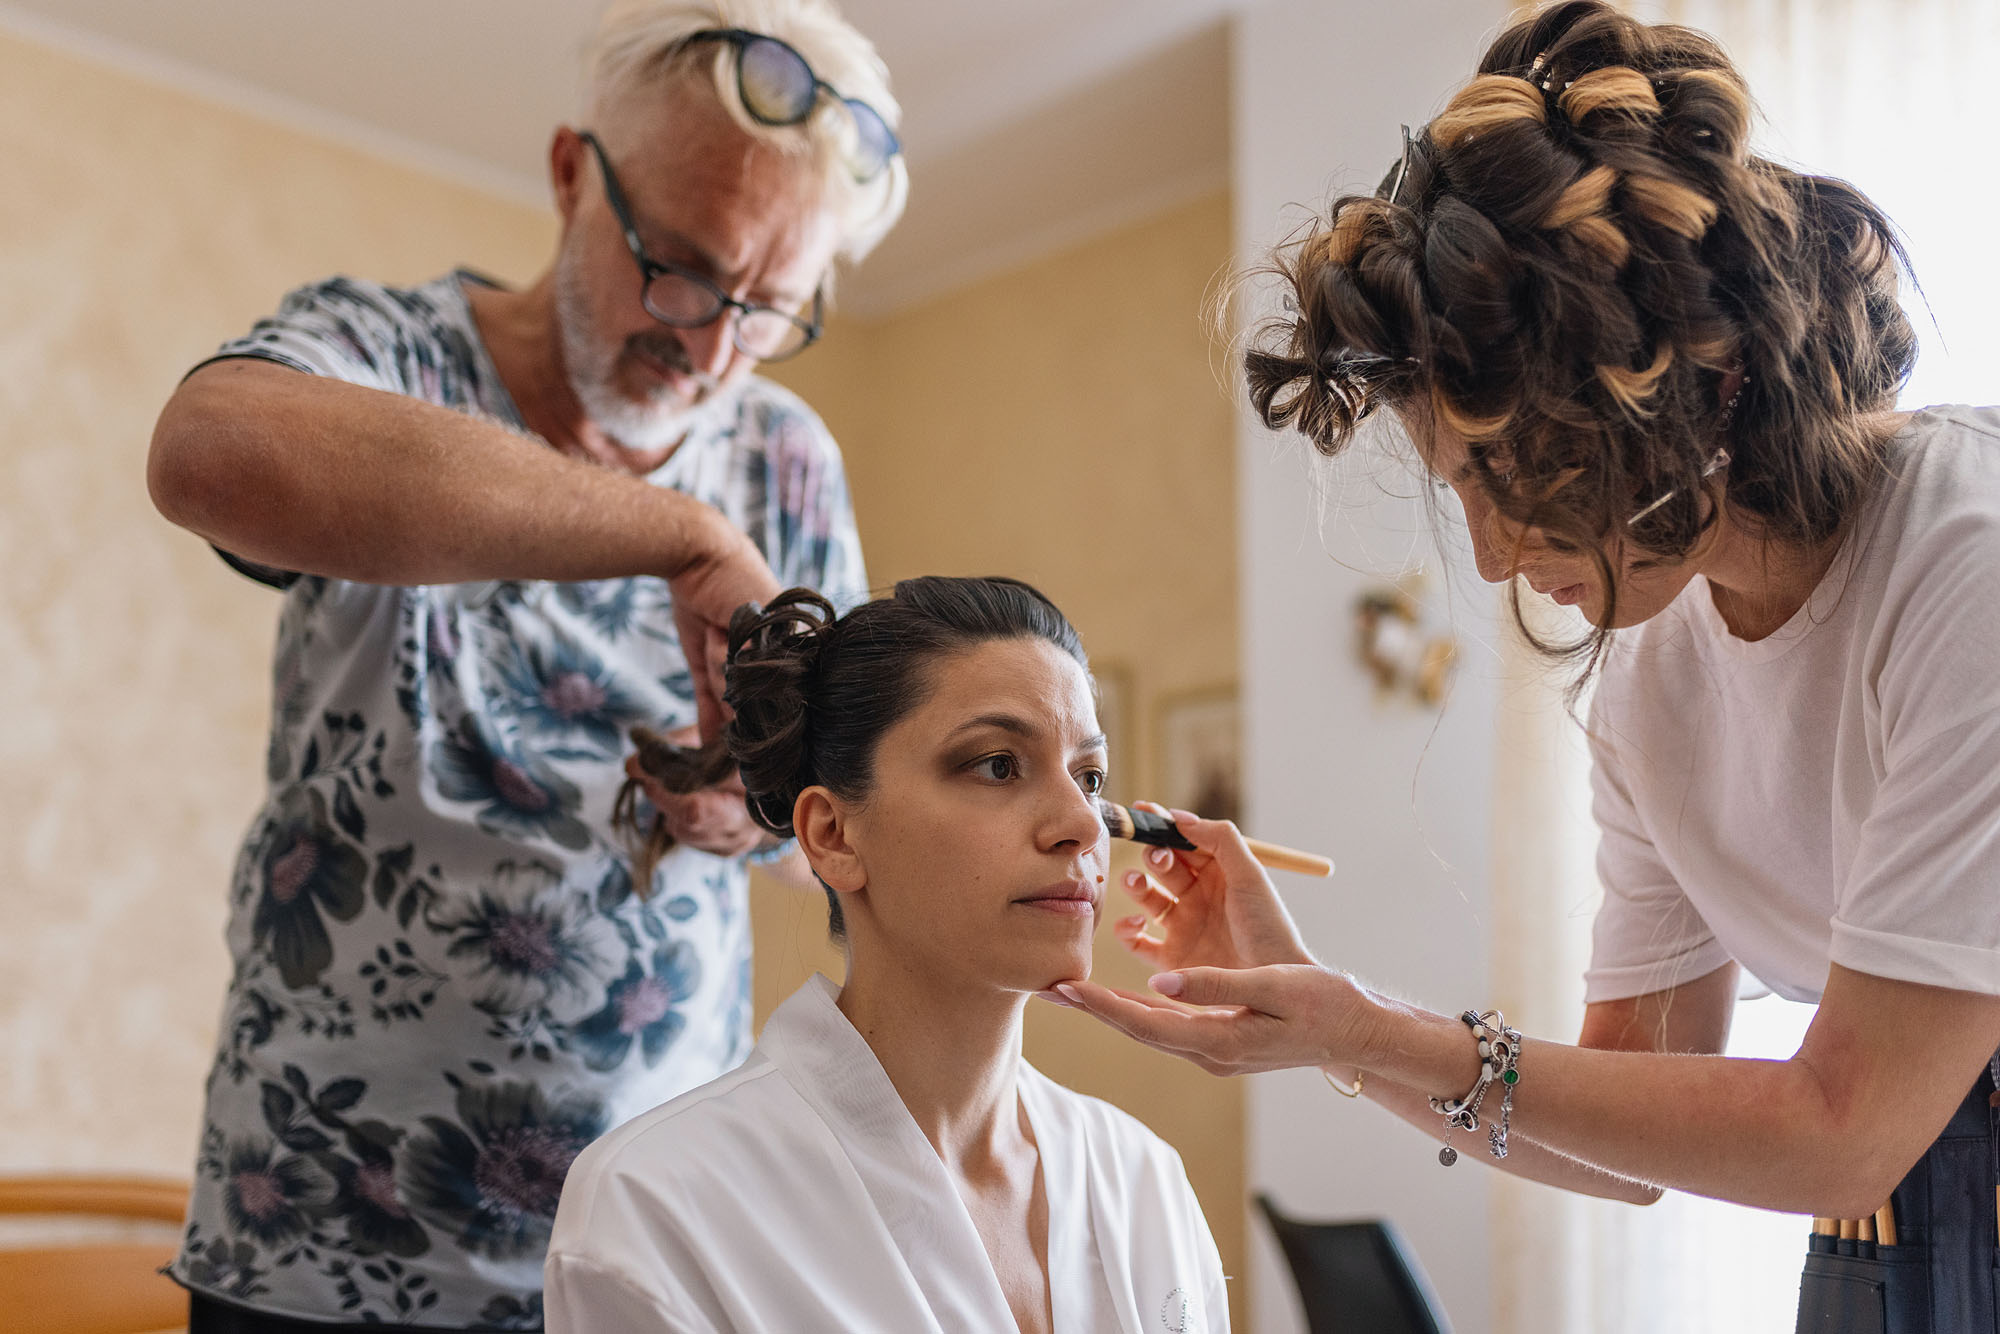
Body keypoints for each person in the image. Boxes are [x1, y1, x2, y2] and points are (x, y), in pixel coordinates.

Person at [1050, 1, 2000, 1326]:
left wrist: (1369, 1033)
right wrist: (1333, 1020)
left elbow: (1841, 1123)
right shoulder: (1650, 685)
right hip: (1892, 1237)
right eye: (1463, 490)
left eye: (1508, 473)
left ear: (1686, 390)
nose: (1492, 558)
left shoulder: (1968, 555)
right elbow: (1623, 1144)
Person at [143, 1, 906, 1326]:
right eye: (679, 267)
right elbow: (203, 453)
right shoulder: (385, 352)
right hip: (317, 1232)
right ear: (570, 174)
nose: (713, 346)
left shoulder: (790, 460)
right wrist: (681, 536)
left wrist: (756, 810)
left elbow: (832, 830)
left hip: (646, 1246)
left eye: (772, 308)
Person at [544, 578, 1229, 1334]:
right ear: (833, 835)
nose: (1081, 822)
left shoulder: (1145, 1181)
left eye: (1090, 776)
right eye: (998, 764)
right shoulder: (656, 1207)